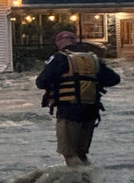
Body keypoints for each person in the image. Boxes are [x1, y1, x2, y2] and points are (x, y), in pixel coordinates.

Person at [35, 30, 120, 167]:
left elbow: (41, 82)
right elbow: (114, 79)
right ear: (74, 41)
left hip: (69, 111)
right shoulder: (93, 59)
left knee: (69, 154)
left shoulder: (59, 57)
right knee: (81, 153)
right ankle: (92, 179)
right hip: (91, 112)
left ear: (58, 44)